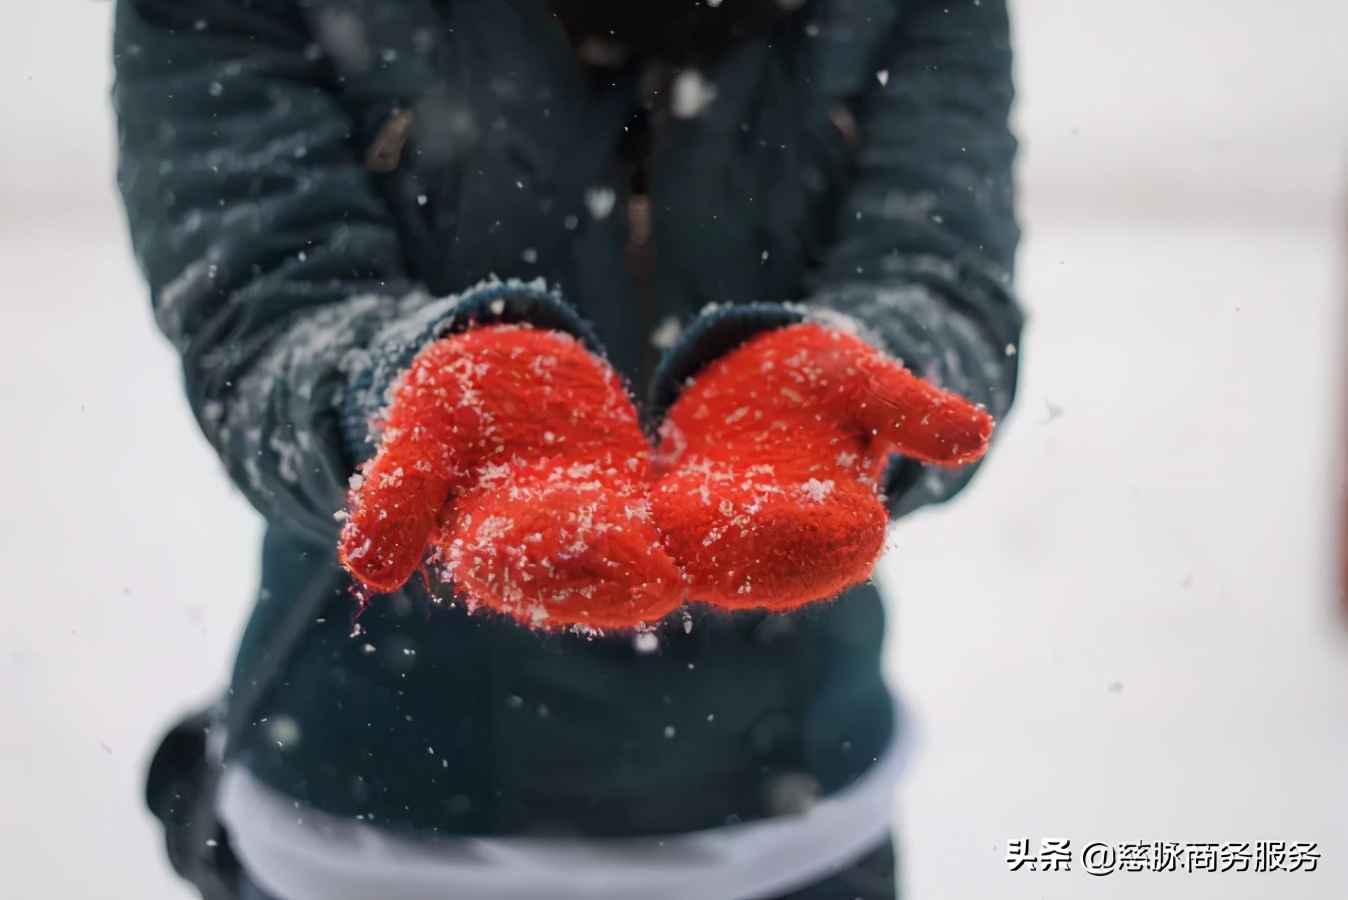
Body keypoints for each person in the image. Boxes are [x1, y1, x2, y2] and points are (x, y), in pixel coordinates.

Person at [114, 1, 1023, 898]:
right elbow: (263, 311)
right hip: (364, 823)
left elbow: (940, 276)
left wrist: (868, 377)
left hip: (797, 828)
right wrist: (398, 396)